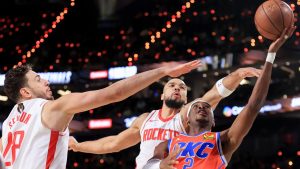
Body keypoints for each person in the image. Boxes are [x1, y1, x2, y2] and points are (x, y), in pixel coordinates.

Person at [0, 60, 201, 169]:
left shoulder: (8, 125)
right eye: (38, 79)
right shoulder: (51, 108)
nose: (46, 82)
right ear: (25, 92)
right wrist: (163, 71)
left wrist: (78, 146)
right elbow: (114, 93)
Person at [142, 26, 296, 169]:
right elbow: (147, 166)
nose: (202, 106)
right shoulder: (168, 143)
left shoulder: (223, 140)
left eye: (207, 107)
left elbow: (253, 106)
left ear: (213, 120)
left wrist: (270, 55)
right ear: (187, 120)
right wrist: (161, 165)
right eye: (196, 106)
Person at [69, 64, 263, 168]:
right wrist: (78, 146)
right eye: (172, 85)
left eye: (182, 87)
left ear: (186, 97)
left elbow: (213, 95)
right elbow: (112, 144)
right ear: (162, 95)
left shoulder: (186, 116)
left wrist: (237, 75)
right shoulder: (145, 119)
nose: (177, 88)